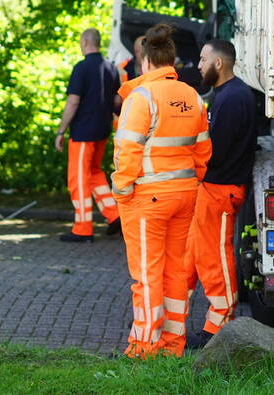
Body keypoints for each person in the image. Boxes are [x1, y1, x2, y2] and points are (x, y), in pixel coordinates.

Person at [112, 23, 211, 358]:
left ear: (145, 61)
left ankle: (144, 347)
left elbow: (128, 149)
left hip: (147, 198)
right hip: (185, 195)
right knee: (174, 273)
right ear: (173, 61)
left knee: (146, 275)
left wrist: (122, 190)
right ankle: (172, 345)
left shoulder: (141, 97)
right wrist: (192, 182)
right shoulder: (192, 96)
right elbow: (202, 150)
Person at [184, 39, 257, 347]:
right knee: (195, 254)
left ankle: (220, 327)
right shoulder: (228, 94)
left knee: (215, 256)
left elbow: (217, 151)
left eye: (202, 60)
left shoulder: (233, 98)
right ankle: (173, 320)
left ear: (218, 63)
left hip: (221, 190)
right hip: (212, 189)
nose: (198, 66)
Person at [54, 28, 122, 243]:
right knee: (94, 173)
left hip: (83, 133)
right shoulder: (111, 69)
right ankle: (114, 215)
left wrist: (61, 130)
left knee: (78, 179)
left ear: (84, 42)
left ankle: (82, 228)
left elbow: (73, 101)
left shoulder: (81, 68)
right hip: (102, 131)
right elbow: (117, 102)